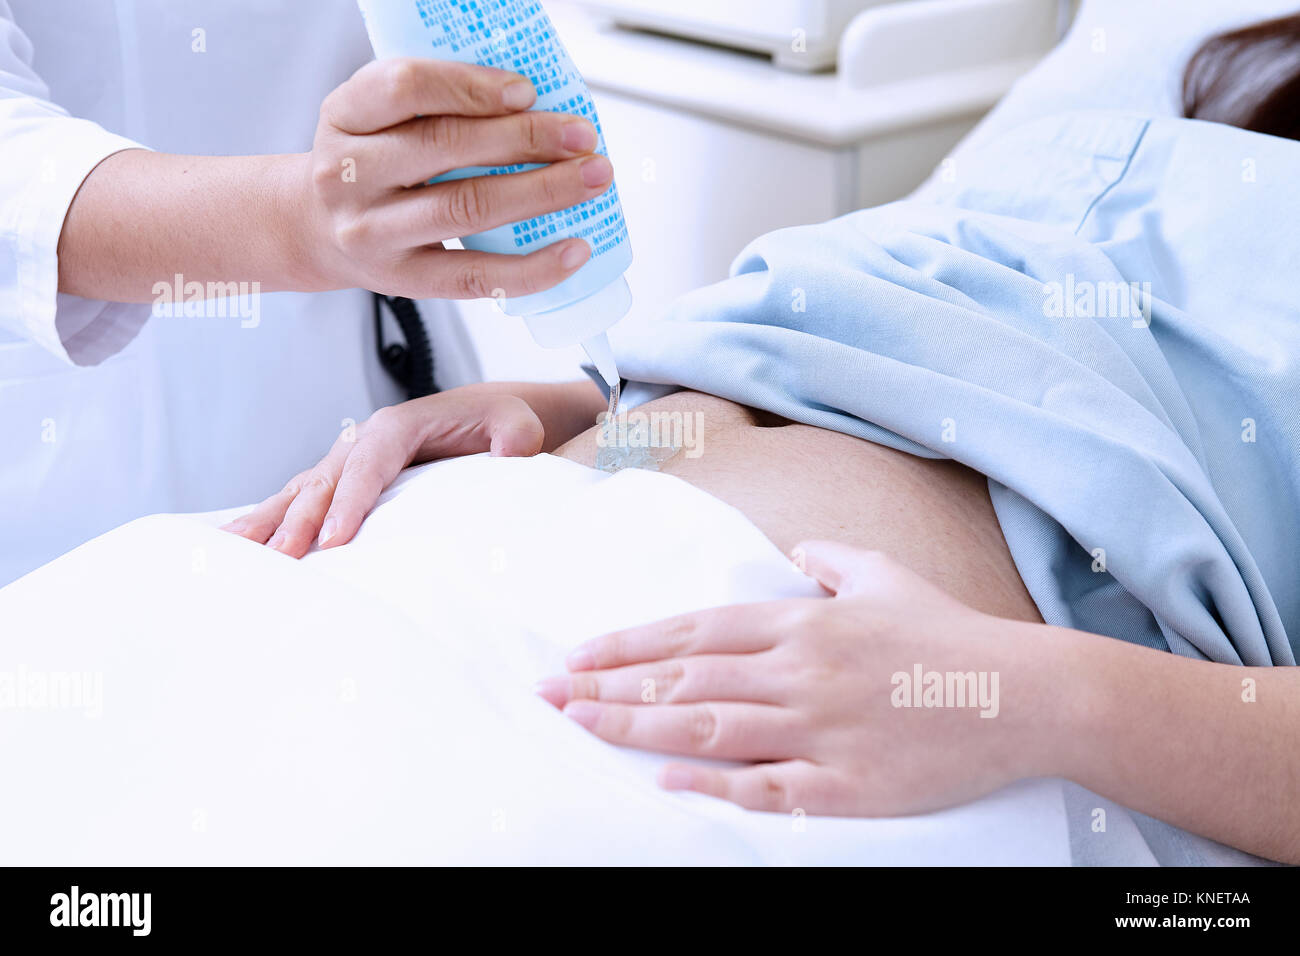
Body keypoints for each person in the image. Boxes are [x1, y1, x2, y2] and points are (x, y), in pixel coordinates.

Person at [224, 12, 1300, 863]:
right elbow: (837, 336)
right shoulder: (1206, 84)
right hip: (506, 513)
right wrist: (573, 404)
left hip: (844, 709)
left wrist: (1022, 695)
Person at [0, 0, 612, 584]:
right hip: (87, 468)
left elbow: (654, 413)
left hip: (381, 414)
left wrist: (597, 407)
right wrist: (302, 224)